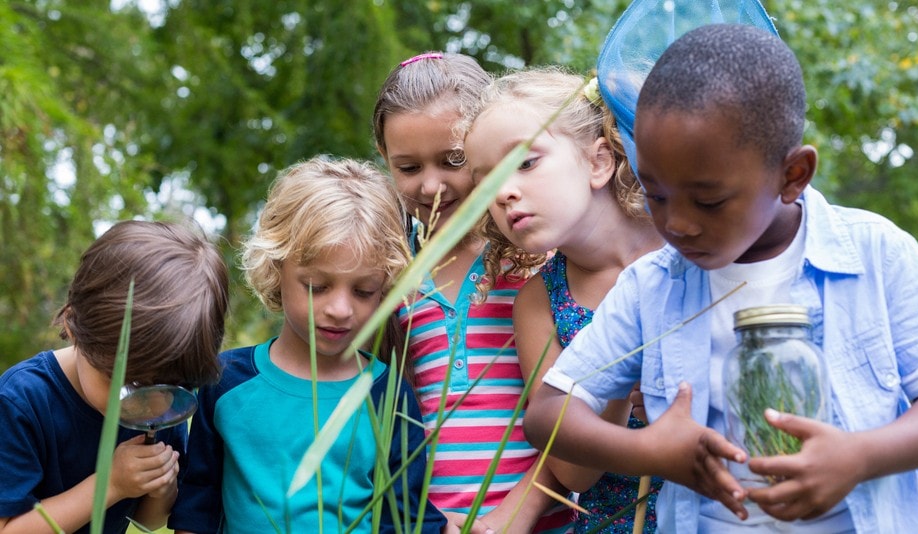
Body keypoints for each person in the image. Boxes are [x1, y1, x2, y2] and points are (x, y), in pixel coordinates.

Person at [524, 23, 918, 533]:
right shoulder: (651, 286)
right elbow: (548, 413)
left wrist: (860, 455)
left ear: (792, 176)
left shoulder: (878, 255)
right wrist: (646, 450)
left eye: (708, 200)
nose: (677, 223)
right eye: (656, 195)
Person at [167, 157, 446, 534]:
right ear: (275, 267)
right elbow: (196, 507)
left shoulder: (388, 395)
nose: (340, 309)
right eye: (317, 286)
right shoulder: (225, 384)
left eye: (364, 291)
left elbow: (408, 518)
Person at [373, 52, 575, 533]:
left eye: (453, 160)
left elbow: (570, 417)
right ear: (384, 161)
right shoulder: (388, 281)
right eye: (407, 167)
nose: (430, 184)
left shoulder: (541, 265)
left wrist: (516, 514)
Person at [462, 66, 667, 533]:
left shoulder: (686, 250)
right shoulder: (538, 303)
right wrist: (616, 367)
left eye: (527, 162)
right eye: (485, 181)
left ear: (597, 162)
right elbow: (573, 471)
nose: (505, 191)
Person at [0, 220, 230, 534]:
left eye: (166, 386)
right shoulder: (21, 401)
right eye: (124, 380)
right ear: (72, 324)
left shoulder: (163, 408)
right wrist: (111, 483)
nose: (144, 403)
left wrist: (160, 488)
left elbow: (149, 520)